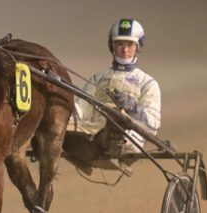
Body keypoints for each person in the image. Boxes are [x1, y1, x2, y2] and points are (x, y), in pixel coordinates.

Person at [62, 18, 161, 170]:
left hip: (128, 136)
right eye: (120, 44)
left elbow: (153, 124)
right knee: (58, 125)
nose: (124, 49)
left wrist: (133, 108)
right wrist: (64, 110)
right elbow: (82, 110)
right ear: (112, 46)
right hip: (93, 131)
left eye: (129, 44)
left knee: (117, 126)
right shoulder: (97, 79)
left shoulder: (148, 83)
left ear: (138, 46)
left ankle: (96, 146)